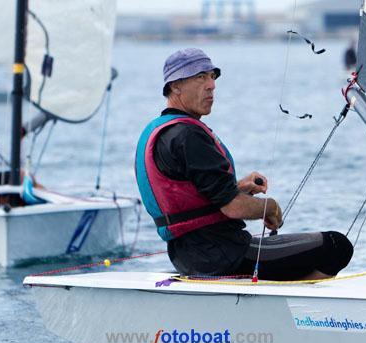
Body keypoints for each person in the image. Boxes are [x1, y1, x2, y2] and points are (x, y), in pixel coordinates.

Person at [135, 48, 353, 281]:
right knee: (336, 246)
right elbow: (233, 208)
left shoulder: (159, 131)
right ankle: (295, 311)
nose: (211, 85)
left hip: (189, 257)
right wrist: (270, 207)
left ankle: (273, 298)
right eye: (200, 77)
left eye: (212, 77)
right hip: (225, 255)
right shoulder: (188, 135)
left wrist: (239, 188)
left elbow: (196, 199)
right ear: (175, 86)